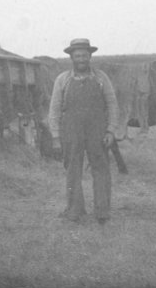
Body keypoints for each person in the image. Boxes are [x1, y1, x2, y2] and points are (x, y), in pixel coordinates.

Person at [47, 38, 119, 224]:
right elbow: (54, 110)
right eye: (77, 55)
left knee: (101, 168)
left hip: (97, 131)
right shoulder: (62, 80)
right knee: (72, 170)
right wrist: (55, 136)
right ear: (71, 57)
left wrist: (110, 131)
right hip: (71, 130)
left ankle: (102, 211)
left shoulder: (101, 78)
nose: (81, 59)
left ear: (90, 56)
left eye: (84, 55)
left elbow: (112, 105)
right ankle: (75, 210)